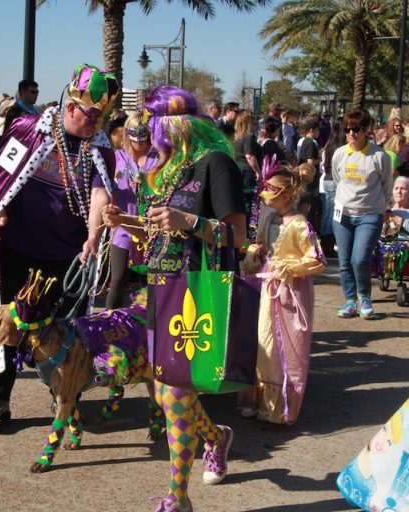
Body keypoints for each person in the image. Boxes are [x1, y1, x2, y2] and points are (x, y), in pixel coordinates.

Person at [103, 85, 247, 512]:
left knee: (175, 397)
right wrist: (124, 219)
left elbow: (237, 235)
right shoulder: (169, 169)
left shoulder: (216, 164)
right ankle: (217, 437)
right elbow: (161, 232)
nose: (150, 133)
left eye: (156, 125)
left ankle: (178, 498)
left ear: (178, 126)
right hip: (161, 290)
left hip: (197, 293)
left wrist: (192, 220)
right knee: (168, 396)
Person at [0, 64, 119, 423]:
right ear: (70, 108)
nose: (96, 122)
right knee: (11, 321)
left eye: (101, 115)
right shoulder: (27, 131)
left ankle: (63, 397)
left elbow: (99, 192)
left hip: (67, 254)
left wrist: (93, 235)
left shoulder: (98, 147)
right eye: (90, 114)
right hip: (21, 248)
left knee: (65, 331)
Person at [239, 161, 325, 424]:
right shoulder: (268, 220)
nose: (266, 198)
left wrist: (291, 268)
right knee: (264, 342)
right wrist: (254, 255)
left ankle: (280, 408)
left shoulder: (300, 225)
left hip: (291, 293)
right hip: (267, 290)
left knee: (288, 347)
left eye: (271, 192)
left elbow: (318, 259)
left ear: (286, 196)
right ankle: (258, 399)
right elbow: (262, 247)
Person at [332, 110, 392, 319]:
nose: (351, 133)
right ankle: (350, 300)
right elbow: (337, 178)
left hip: (369, 214)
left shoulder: (379, 156)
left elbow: (386, 185)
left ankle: (364, 296)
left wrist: (382, 208)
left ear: (366, 130)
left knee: (360, 259)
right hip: (343, 215)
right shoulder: (339, 153)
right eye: (347, 129)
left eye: (355, 129)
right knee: (344, 261)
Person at [106, 113, 158, 309]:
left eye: (143, 137)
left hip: (149, 226)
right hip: (124, 224)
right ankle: (109, 322)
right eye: (134, 137)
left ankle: (151, 327)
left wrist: (147, 183)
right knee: (118, 279)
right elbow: (104, 187)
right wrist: (113, 179)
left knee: (150, 282)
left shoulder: (157, 157)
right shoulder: (117, 157)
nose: (138, 143)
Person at [318, 121, 345, 256]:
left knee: (328, 213)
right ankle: (328, 245)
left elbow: (323, 164)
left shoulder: (328, 145)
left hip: (327, 180)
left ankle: (326, 243)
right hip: (336, 181)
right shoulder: (342, 147)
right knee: (334, 215)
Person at [232, 110, 263, 218]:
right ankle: (247, 231)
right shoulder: (248, 137)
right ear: (247, 124)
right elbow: (249, 156)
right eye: (253, 123)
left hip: (239, 172)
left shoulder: (237, 138)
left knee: (243, 202)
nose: (256, 126)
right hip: (248, 174)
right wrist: (258, 171)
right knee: (249, 203)